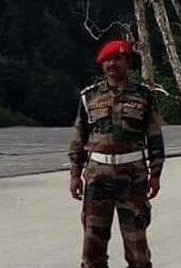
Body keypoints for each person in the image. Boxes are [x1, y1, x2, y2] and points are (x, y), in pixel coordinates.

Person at [68, 39, 164, 268]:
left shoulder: (144, 96)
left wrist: (156, 173)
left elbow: (154, 137)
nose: (112, 64)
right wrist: (75, 173)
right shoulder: (89, 97)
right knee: (93, 245)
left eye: (118, 59)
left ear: (128, 62)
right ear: (102, 65)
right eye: (107, 60)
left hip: (133, 177)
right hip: (97, 177)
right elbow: (79, 136)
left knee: (137, 246)